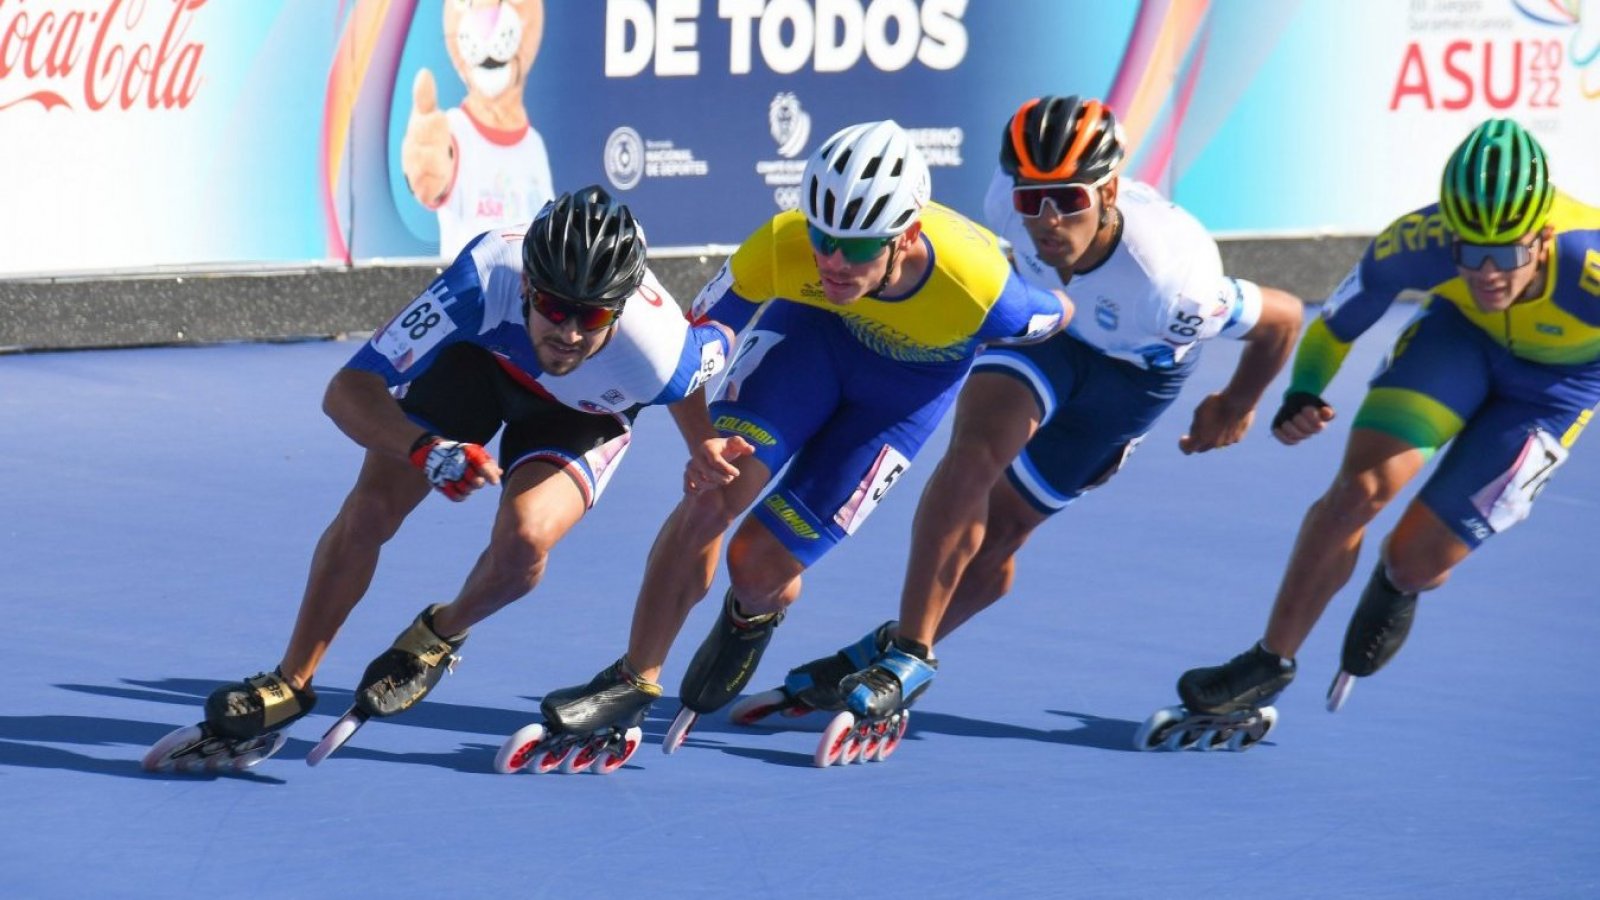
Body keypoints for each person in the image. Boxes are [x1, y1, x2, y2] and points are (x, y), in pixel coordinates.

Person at [522, 120, 1072, 764]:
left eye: (857, 246)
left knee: (757, 567)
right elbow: (694, 346)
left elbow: (1060, 313)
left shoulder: (983, 289)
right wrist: (701, 438)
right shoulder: (783, 244)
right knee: (710, 499)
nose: (833, 260)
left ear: (906, 237)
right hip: (809, 344)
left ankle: (752, 613)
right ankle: (632, 680)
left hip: (900, 401)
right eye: (823, 237)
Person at [745, 95, 1304, 727]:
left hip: (1132, 376)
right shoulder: (1002, 205)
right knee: (974, 456)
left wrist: (1236, 402)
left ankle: (898, 640)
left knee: (1001, 538)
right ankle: (910, 654)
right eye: (1032, 199)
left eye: (1068, 199)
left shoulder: (1175, 284)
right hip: (1049, 333)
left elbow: (1283, 320)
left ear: (1109, 192)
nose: (1046, 220)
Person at [142, 185, 733, 772]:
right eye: (554, 307)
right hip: (477, 368)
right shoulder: (485, 276)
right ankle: (291, 682)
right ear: (527, 286)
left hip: (581, 413)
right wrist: (423, 450)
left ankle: (439, 636)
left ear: (621, 309)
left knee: (525, 540)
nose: (570, 332)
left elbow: (701, 359)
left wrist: (701, 441)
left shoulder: (662, 350)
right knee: (371, 509)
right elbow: (348, 390)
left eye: (594, 315)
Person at [1172, 117, 1600, 729]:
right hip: (1458, 343)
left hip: (1557, 391)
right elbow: (1334, 326)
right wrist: (1303, 391)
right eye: (1469, 253)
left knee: (1417, 562)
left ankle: (1398, 581)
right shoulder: (1417, 242)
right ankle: (1270, 660)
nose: (1487, 273)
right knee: (1358, 492)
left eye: (1506, 253)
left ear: (1545, 237)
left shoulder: (1591, 262)